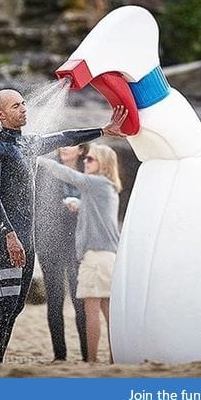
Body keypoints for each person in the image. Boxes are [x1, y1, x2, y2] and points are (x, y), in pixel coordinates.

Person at [0, 89, 127, 364]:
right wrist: (10, 235)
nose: (24, 109)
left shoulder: (29, 143)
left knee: (17, 305)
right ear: (1, 115)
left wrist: (103, 130)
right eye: (16, 106)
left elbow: (65, 136)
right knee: (6, 303)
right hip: (6, 237)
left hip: (28, 237)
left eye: (24, 103)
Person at [38, 143, 122, 363]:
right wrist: (78, 203)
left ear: (103, 163)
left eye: (90, 159)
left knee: (92, 308)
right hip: (91, 253)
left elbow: (67, 174)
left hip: (96, 255)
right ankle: (105, 360)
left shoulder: (97, 183)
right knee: (101, 308)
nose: (86, 162)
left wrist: (36, 157)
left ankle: (93, 361)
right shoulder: (103, 186)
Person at [34, 144, 89, 362]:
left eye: (72, 144)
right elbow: (39, 205)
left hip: (79, 246)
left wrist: (81, 206)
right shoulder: (47, 171)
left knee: (80, 301)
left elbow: (100, 203)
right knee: (55, 301)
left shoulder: (89, 171)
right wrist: (61, 206)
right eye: (63, 144)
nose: (65, 148)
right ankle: (60, 355)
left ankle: (88, 355)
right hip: (51, 244)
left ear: (82, 150)